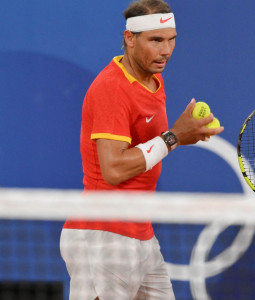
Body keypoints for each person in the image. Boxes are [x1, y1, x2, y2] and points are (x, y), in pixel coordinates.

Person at [59, 0, 224, 299]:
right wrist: (173, 138)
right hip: (103, 235)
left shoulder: (153, 80)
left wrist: (181, 136)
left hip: (140, 232)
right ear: (130, 38)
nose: (166, 50)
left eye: (172, 40)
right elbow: (113, 170)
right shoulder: (112, 88)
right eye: (156, 40)